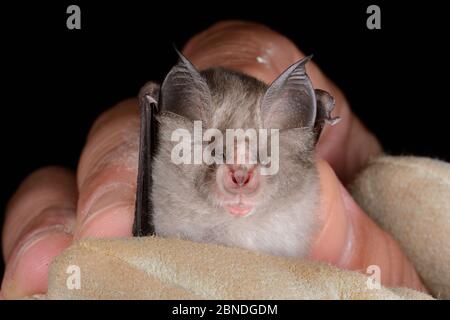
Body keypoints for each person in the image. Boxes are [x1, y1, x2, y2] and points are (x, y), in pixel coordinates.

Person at [0, 21, 426, 299]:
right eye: (217, 153)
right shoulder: (172, 180)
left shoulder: (309, 187)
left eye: (261, 157)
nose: (241, 174)